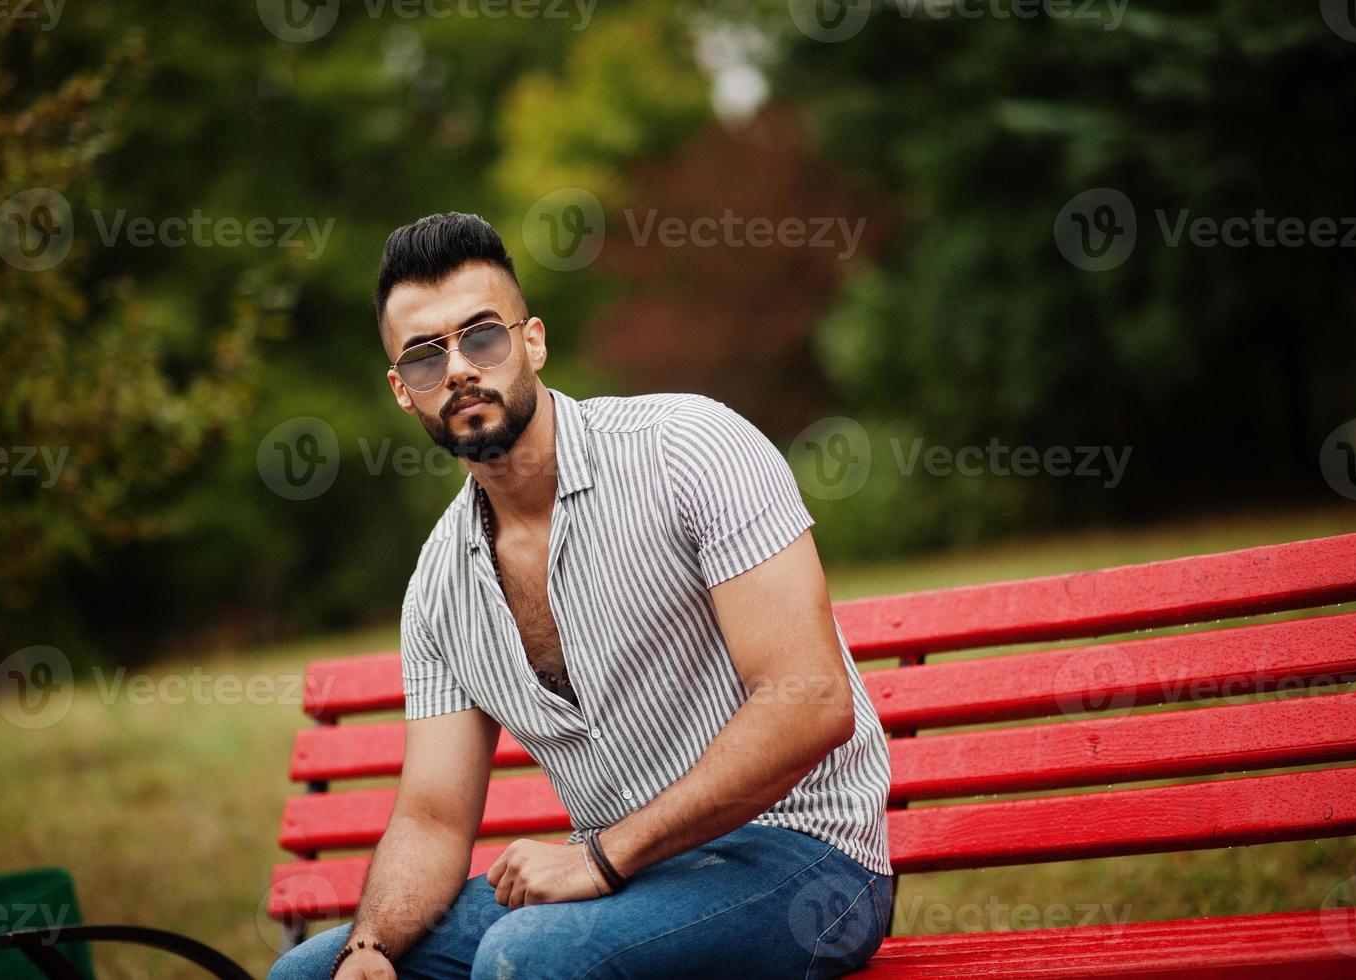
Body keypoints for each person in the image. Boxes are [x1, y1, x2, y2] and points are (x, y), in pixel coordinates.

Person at [268, 212, 894, 980]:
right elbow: (431, 820)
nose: (460, 369)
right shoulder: (438, 584)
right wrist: (369, 948)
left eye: (482, 337)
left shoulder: (688, 448)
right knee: (307, 976)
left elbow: (810, 704)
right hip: (625, 883)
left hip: (805, 857)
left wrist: (602, 856)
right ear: (404, 391)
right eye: (426, 358)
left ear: (531, 341)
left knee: (525, 956)